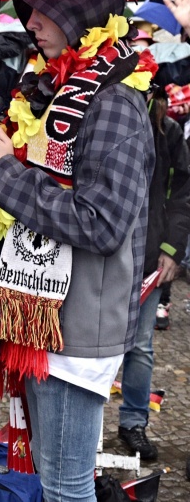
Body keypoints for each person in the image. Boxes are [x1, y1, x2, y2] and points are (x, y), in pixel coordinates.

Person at [0, 0, 154, 499]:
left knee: (66, 484)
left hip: (79, 329)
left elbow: (99, 224)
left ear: (79, 12)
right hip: (46, 315)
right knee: (52, 477)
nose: (31, 22)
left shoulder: (114, 101)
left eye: (44, 9)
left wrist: (5, 175)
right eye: (28, 9)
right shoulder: (60, 89)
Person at [116, 85, 190, 461]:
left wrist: (172, 248)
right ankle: (80, 426)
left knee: (140, 345)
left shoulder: (168, 130)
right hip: (102, 255)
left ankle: (133, 422)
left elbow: (182, 191)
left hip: (148, 255)